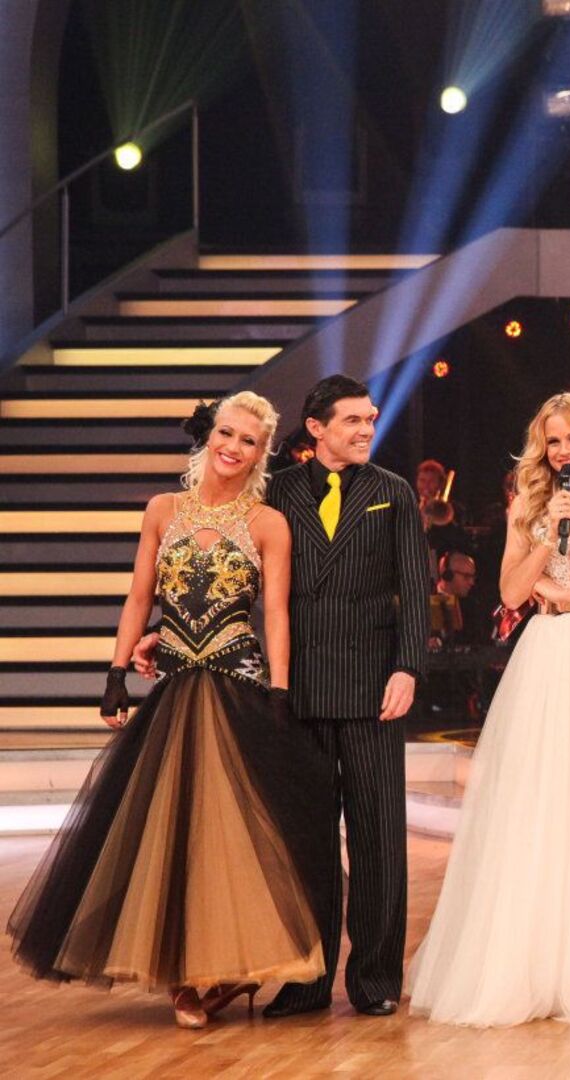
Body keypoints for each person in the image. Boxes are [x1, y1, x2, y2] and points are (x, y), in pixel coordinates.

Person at [10, 393, 335, 1029]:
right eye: (227, 433)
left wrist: (280, 691)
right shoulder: (163, 509)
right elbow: (139, 596)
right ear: (209, 435)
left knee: (232, 836)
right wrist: (114, 673)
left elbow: (275, 614)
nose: (233, 447)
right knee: (174, 834)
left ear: (261, 454)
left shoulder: (268, 523)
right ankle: (187, 977)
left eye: (248, 441)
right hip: (175, 687)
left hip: (239, 689)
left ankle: (228, 968)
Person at [143, 375, 430, 1019]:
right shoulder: (275, 494)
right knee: (305, 841)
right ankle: (306, 979)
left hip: (374, 688)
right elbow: (232, 577)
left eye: (370, 419)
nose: (366, 429)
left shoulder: (393, 492)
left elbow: (415, 588)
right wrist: (167, 630)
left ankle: (375, 979)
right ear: (317, 428)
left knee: (379, 837)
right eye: (352, 420)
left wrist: (409, 666)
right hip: (296, 688)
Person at [410, 392, 570, 1026]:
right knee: (540, 800)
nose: (564, 450)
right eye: (553, 441)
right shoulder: (529, 505)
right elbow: (512, 590)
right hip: (546, 656)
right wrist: (549, 536)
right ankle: (530, 960)